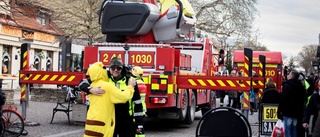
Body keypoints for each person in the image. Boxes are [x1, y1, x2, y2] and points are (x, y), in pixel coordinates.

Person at [79, 57, 144, 137]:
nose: (115, 70)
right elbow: (82, 82)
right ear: (109, 68)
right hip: (110, 119)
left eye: (118, 68)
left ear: (122, 68)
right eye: (113, 68)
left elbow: (137, 102)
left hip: (126, 119)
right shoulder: (104, 76)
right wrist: (90, 89)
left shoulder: (130, 80)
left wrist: (139, 123)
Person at [277, 70, 308, 137]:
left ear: (291, 76)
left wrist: (279, 111)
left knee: (288, 132)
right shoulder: (301, 86)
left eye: (289, 74)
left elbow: (283, 99)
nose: (287, 75)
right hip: (297, 113)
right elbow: (304, 99)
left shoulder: (287, 85)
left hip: (288, 112)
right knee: (294, 131)